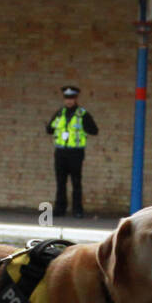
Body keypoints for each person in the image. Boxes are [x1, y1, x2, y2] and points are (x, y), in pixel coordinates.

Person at [47, 85, 98, 218]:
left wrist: (83, 128)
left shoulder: (82, 114)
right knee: (60, 181)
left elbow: (94, 130)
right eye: (67, 98)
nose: (69, 101)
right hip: (61, 152)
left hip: (76, 153)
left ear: (76, 99)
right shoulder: (60, 113)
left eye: (72, 98)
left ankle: (77, 210)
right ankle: (60, 209)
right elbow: (49, 129)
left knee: (76, 181)